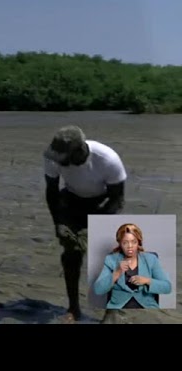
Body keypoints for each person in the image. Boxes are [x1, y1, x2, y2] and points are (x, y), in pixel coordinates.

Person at [43, 125, 127, 322]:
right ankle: (73, 308)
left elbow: (118, 199)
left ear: (78, 152)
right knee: (71, 254)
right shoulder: (53, 156)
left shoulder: (107, 159)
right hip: (71, 201)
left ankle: (111, 311)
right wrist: (58, 224)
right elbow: (52, 192)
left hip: (104, 202)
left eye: (63, 158)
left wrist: (98, 225)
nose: (58, 162)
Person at [93, 223, 171, 309]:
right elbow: (98, 290)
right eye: (125, 243)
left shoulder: (151, 259)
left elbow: (167, 287)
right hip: (118, 309)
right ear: (120, 243)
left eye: (134, 242)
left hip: (147, 309)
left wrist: (147, 280)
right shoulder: (111, 260)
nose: (130, 246)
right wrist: (117, 272)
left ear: (139, 242)